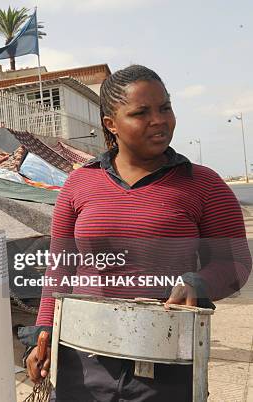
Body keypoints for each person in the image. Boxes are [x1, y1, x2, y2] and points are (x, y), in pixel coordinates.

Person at [24, 65, 252, 401]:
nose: (158, 120)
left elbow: (234, 263)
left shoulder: (204, 185)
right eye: (141, 112)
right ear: (111, 124)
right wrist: (44, 331)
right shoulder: (79, 184)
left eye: (165, 108)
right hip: (83, 360)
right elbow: (60, 266)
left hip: (167, 361)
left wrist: (199, 283)